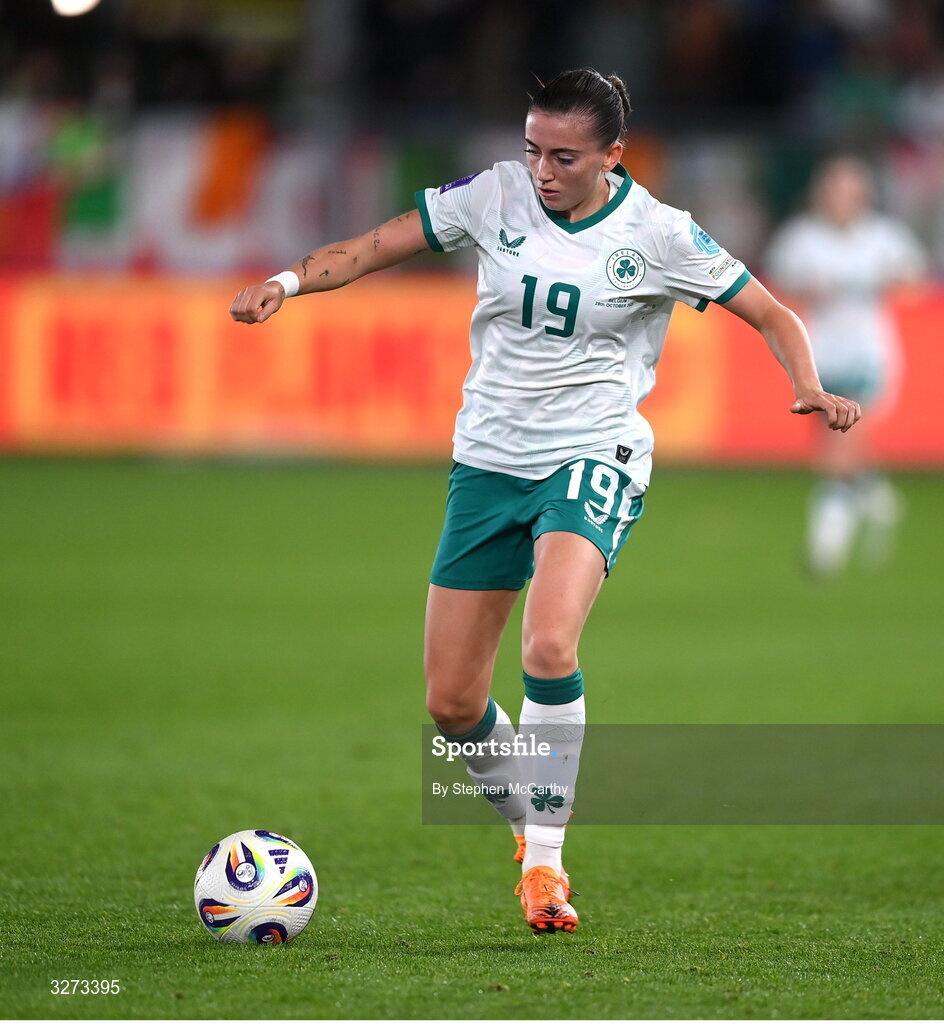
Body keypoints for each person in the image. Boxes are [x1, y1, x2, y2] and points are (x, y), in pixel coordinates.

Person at [230, 69, 860, 934]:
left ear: (613, 155)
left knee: (551, 639)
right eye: (533, 149)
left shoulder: (661, 235)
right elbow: (378, 245)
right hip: (487, 461)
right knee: (451, 701)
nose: (542, 170)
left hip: (593, 450)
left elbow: (773, 314)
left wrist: (810, 387)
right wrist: (288, 282)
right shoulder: (494, 196)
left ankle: (546, 869)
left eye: (564, 156)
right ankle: (532, 831)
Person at [766, 157, 925, 577]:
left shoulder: (882, 237)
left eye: (847, 190)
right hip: (821, 358)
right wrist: (809, 290)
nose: (839, 198)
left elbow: (916, 282)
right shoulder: (801, 238)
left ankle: (823, 552)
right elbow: (778, 292)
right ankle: (879, 501)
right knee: (842, 449)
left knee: (838, 453)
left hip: (868, 357)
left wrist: (887, 280)